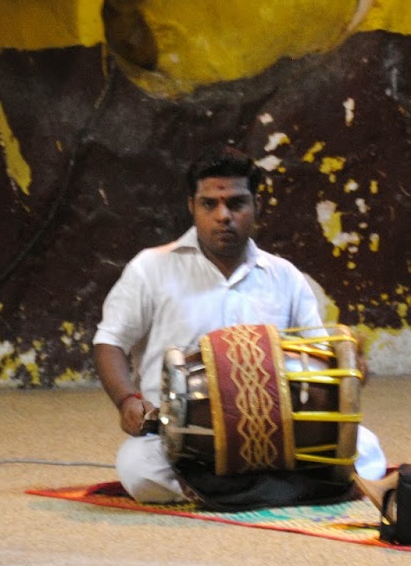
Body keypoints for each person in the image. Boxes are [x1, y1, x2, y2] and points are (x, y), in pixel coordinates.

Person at [92, 144, 386, 503]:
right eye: (209, 204)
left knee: (368, 447)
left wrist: (351, 369)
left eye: (236, 203)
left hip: (276, 434)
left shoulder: (284, 276)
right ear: (191, 206)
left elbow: (319, 357)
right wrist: (127, 400)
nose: (223, 216)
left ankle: (224, 493)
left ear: (256, 205)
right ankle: (285, 489)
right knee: (137, 467)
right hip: (181, 437)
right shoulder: (150, 268)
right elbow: (109, 342)